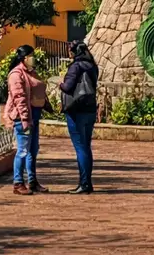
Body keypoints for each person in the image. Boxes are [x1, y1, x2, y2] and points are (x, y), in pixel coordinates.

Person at [5, 44, 49, 195]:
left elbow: (39, 89)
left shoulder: (32, 73)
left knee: (33, 150)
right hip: (22, 117)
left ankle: (32, 181)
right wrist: (25, 119)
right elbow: (19, 98)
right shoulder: (16, 75)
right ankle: (18, 182)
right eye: (31, 55)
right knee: (23, 150)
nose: (34, 58)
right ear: (24, 58)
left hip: (35, 115)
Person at [59, 40, 100, 194]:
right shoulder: (92, 66)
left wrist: (61, 85)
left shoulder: (76, 66)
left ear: (74, 52)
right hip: (89, 110)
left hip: (76, 111)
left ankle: (84, 183)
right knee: (86, 147)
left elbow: (68, 87)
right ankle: (87, 182)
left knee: (80, 147)